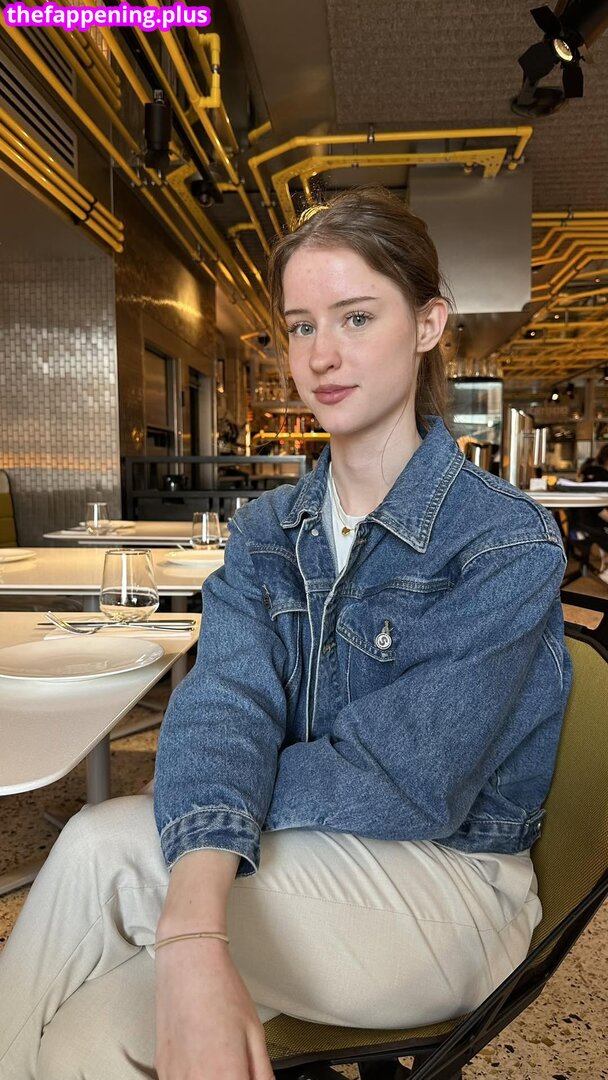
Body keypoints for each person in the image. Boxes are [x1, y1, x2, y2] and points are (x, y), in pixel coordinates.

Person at [0, 188, 572, 1080]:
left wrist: (198, 903)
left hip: (450, 888)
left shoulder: (502, 540)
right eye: (301, 326)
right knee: (85, 1043)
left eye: (356, 317)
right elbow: (225, 702)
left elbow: (408, 780)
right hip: (293, 860)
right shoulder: (269, 529)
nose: (321, 355)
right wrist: (214, 829)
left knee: (103, 846)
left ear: (428, 324)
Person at [577, 443, 608, 581]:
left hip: (583, 521)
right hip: (594, 524)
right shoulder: (601, 475)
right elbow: (598, 508)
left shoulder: (589, 470)